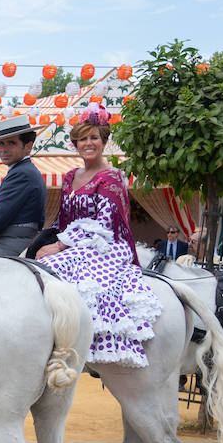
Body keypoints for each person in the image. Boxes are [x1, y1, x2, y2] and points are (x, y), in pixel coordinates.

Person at [35, 105, 161, 367]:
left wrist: (60, 246)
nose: (88, 143)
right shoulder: (70, 177)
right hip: (73, 243)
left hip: (106, 246)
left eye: (94, 137)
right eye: (83, 138)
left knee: (55, 266)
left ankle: (81, 342)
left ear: (104, 140)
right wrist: (48, 241)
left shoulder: (112, 177)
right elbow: (64, 218)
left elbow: (103, 224)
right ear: (75, 143)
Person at [0, 115, 46, 257]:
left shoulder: (22, 173)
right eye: (1, 143)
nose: (4, 149)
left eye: (11, 143)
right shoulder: (24, 170)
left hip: (11, 243)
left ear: (28, 146)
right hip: (16, 239)